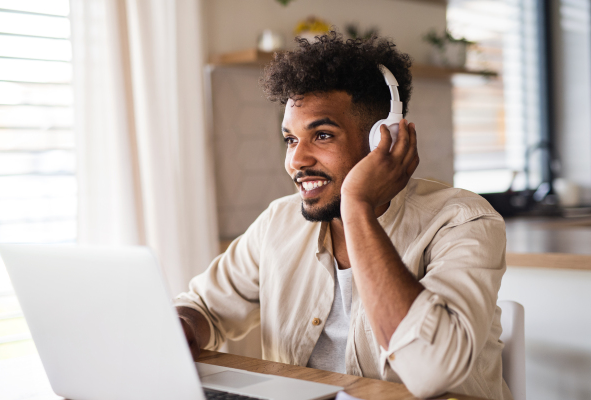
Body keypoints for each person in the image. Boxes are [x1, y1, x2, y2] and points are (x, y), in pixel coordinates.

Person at [175, 32, 511, 400]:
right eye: (290, 139)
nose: (296, 161)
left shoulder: (462, 221)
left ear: (383, 140)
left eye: (321, 135)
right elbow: (203, 307)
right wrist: (183, 326)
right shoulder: (279, 222)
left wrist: (357, 207)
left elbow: (430, 370)